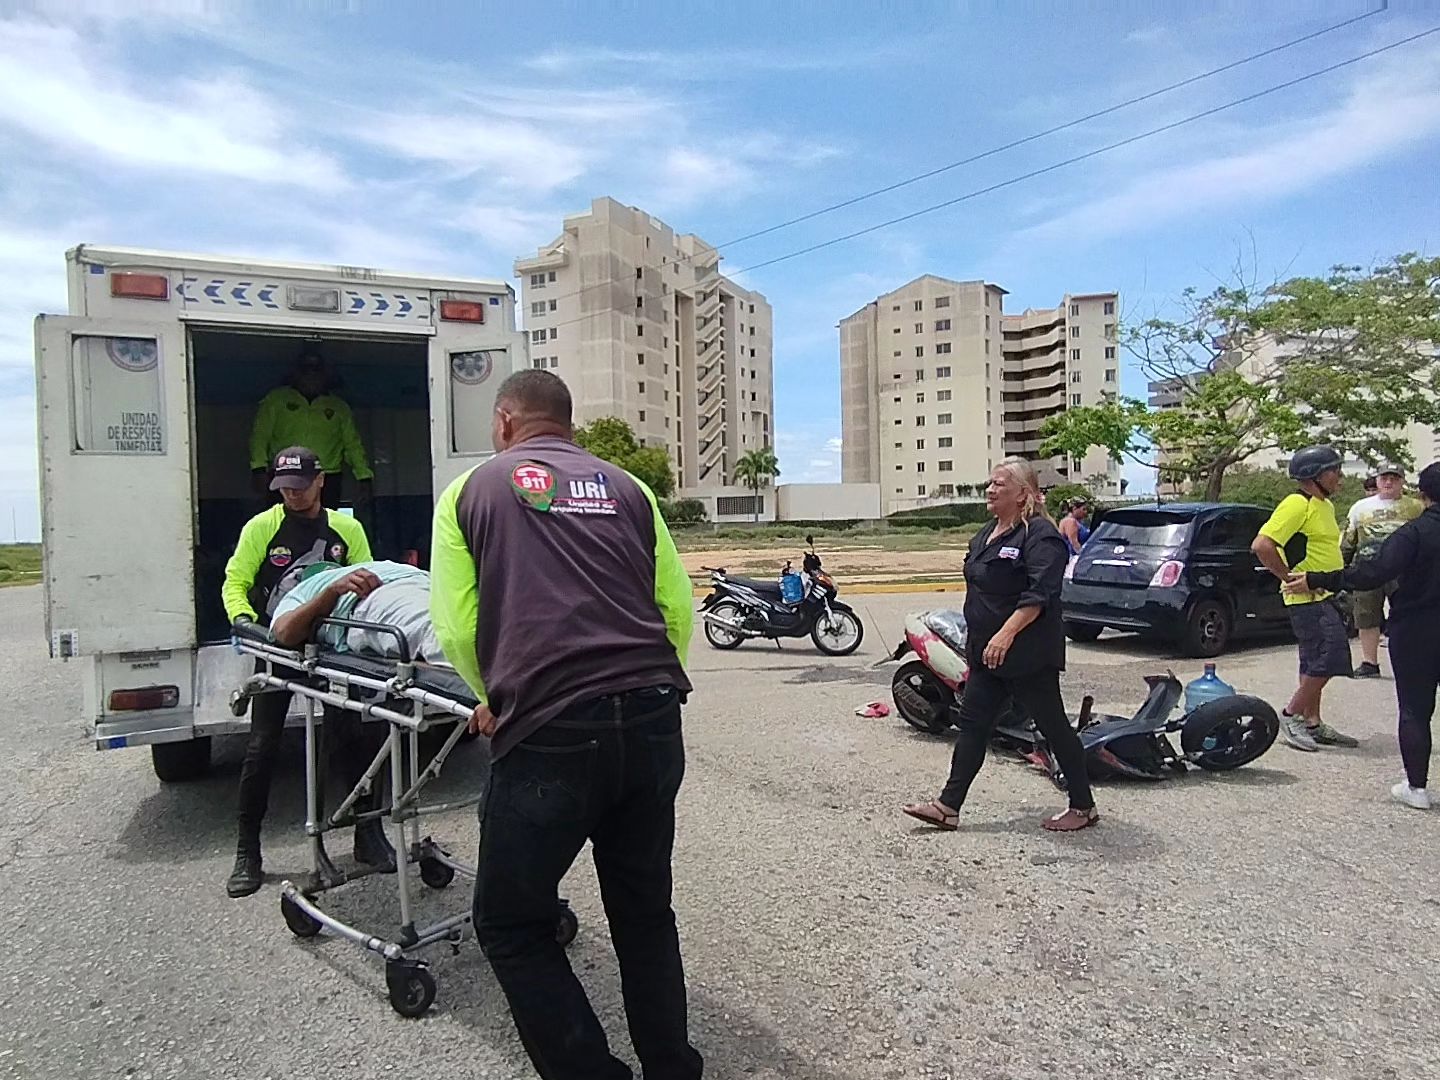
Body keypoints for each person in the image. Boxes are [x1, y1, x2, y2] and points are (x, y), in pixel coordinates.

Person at [429, 370, 701, 1080]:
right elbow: (676, 605)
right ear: (569, 424)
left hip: (549, 728)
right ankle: (673, 1067)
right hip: (650, 717)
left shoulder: (471, 490)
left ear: (506, 421)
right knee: (644, 912)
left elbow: (458, 627)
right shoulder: (630, 490)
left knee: (513, 925)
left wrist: (491, 694)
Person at [220, 446, 393, 899]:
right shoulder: (262, 528)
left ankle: (368, 835)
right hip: (279, 645)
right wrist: (243, 619)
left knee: (357, 738)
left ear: (320, 481)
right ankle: (247, 850)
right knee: (262, 747)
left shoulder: (346, 528)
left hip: (334, 647)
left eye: (299, 486)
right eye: (283, 488)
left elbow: (367, 580)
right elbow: (235, 580)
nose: (292, 495)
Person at [903, 457, 1100, 833]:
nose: (990, 490)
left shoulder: (1039, 536)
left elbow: (1040, 593)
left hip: (1026, 656)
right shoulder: (986, 534)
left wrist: (1006, 633)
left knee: (1054, 728)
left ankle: (1084, 806)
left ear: (1023, 493)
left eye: (999, 484)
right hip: (987, 655)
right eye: (989, 483)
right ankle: (948, 807)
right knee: (973, 725)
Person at [1284, 462, 1440, 809]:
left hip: (1416, 628)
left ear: (1422, 494)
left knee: (1415, 709)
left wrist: (1316, 579)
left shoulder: (1414, 533)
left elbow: (1370, 573)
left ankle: (1416, 788)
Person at [1250, 445, 1359, 753]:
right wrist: (1287, 578)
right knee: (1332, 654)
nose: (1339, 476)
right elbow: (1262, 545)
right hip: (1309, 598)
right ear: (1316, 475)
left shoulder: (1322, 505)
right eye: (1334, 470)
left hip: (1326, 593)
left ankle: (1312, 721)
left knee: (1313, 658)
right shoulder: (1297, 504)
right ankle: (1291, 714)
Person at [249, 345, 373, 510]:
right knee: (284, 524)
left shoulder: (338, 407)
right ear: (296, 373)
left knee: (323, 526)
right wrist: (258, 469)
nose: (311, 374)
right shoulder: (276, 400)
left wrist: (364, 477)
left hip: (326, 477)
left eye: (316, 369)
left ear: (325, 374)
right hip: (286, 472)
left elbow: (352, 445)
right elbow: (260, 436)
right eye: (306, 369)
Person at [270, 559, 442, 662]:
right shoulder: (299, 592)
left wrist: (335, 589)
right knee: (435, 630)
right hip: (381, 594)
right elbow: (285, 632)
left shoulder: (365, 568)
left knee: (436, 629)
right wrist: (332, 591)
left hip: (414, 584)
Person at [1342, 464, 1422, 678]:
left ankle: (1414, 660)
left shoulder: (1416, 507)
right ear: (1377, 480)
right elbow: (1349, 539)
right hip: (1368, 567)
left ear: (1402, 481)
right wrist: (1343, 567)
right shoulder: (1360, 508)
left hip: (1405, 569)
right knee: (1366, 615)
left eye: (1394, 478)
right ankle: (1370, 662)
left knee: (1409, 614)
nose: (1389, 483)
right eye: (1385, 478)